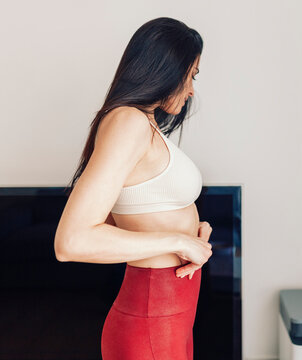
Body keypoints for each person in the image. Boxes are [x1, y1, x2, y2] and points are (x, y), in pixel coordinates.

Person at [53, 17, 213, 360]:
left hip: (171, 314)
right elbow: (71, 242)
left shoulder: (142, 123)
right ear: (167, 68)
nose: (191, 89)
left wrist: (189, 231)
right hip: (154, 317)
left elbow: (122, 217)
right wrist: (177, 240)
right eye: (192, 74)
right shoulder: (128, 122)